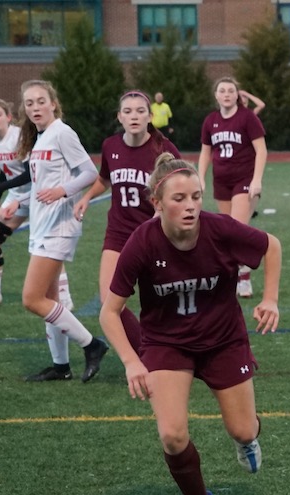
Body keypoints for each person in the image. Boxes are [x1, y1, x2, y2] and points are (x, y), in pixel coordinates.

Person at [99, 155, 281, 495]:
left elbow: (271, 246)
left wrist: (270, 298)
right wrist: (132, 361)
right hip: (167, 345)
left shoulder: (219, 229)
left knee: (243, 429)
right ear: (157, 203)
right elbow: (109, 312)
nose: (191, 206)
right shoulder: (142, 242)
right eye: (179, 198)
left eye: (196, 196)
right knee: (171, 433)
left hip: (223, 339)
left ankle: (248, 439)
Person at [0, 79, 108, 383]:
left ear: (53, 103)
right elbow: (39, 187)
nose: (35, 107)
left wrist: (63, 190)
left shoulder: (62, 132)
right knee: (51, 299)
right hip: (41, 225)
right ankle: (61, 367)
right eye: (29, 103)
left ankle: (92, 345)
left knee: (32, 299)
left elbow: (89, 172)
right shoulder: (41, 138)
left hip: (59, 227)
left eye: (40, 101)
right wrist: (17, 202)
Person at [74, 90, 181, 353]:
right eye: (128, 111)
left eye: (140, 111)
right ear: (119, 117)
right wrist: (86, 197)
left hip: (154, 235)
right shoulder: (111, 145)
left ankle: (186, 349)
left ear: (150, 116)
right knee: (110, 301)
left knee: (166, 301)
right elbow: (105, 179)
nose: (134, 116)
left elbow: (181, 188)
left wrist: (163, 214)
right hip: (119, 235)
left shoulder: (163, 148)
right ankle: (145, 354)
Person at [0, 99, 75, 310]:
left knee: (47, 248)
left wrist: (2, 189)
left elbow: (30, 174)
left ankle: (65, 299)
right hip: (17, 196)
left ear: (8, 117)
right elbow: (5, 167)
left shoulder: (19, 137)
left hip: (39, 193)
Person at [197, 77, 268, 299]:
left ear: (237, 95)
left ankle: (243, 278)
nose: (227, 94)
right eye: (222, 91)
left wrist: (257, 180)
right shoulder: (211, 121)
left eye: (230, 90)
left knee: (237, 229)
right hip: (222, 181)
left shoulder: (247, 118)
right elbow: (206, 152)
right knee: (227, 234)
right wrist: (200, 177)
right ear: (216, 95)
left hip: (244, 180)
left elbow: (262, 151)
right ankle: (233, 276)